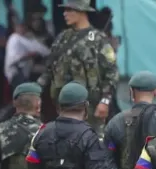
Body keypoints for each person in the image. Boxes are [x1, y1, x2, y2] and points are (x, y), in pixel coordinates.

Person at [37, 0, 117, 138]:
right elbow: (49, 68)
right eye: (64, 10)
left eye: (69, 10)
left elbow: (111, 73)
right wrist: (34, 90)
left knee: (92, 142)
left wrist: (105, 101)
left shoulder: (98, 39)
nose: (64, 14)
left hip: (90, 106)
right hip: (63, 105)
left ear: (81, 12)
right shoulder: (62, 38)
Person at [4, 21, 50, 93]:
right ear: (15, 28)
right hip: (15, 71)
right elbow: (14, 58)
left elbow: (39, 49)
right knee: (21, 93)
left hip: (22, 71)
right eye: (20, 27)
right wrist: (29, 55)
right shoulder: (14, 38)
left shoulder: (23, 38)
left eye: (23, 27)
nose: (22, 29)